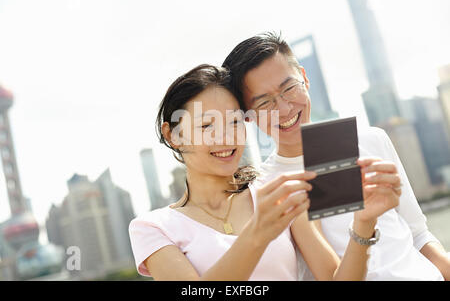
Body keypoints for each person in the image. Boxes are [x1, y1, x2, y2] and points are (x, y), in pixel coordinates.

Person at [128, 64, 400, 280]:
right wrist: (258, 233)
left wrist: (364, 222)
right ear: (173, 134)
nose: (226, 137)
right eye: (207, 125)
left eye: (234, 121)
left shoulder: (278, 193)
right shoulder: (153, 228)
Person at [221, 31, 450, 281]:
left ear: (305, 79)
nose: (284, 109)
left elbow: (419, 235)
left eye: (288, 88)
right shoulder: (264, 189)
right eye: (264, 103)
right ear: (248, 115)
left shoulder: (370, 140)